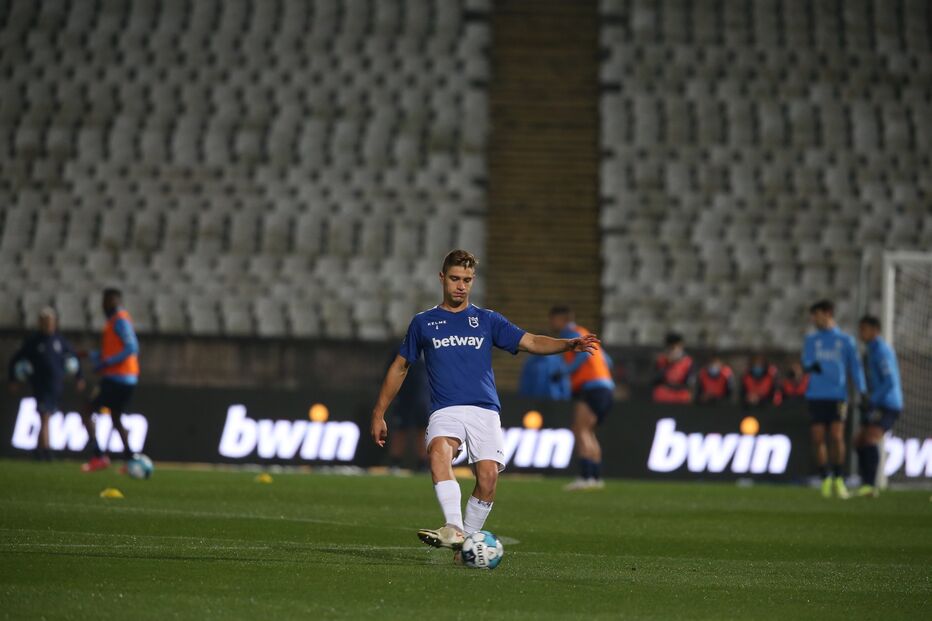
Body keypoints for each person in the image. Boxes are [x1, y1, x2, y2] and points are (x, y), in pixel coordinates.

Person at [369, 250, 599, 560]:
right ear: (442, 278)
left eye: (466, 280)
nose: (460, 286)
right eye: (454, 279)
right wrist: (379, 411)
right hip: (445, 409)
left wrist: (567, 345)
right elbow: (400, 367)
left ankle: (466, 545)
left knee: (488, 478)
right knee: (439, 452)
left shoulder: (487, 320)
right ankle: (453, 527)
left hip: (484, 410)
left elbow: (529, 341)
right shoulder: (423, 323)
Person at [802, 300, 866, 499]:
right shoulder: (812, 340)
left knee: (837, 436)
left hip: (837, 395)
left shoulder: (846, 341)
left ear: (828, 313)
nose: (813, 319)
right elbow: (806, 363)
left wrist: (862, 390)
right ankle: (825, 478)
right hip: (815, 394)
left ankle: (839, 478)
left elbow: (855, 367)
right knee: (818, 437)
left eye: (816, 315)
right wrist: (812, 367)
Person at [548, 306, 615, 491]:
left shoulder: (571, 333)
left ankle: (586, 477)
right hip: (606, 386)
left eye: (553, 320)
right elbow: (608, 361)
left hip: (591, 386)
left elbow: (584, 354)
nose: (552, 324)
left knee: (580, 429)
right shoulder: (586, 333)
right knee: (589, 431)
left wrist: (564, 372)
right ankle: (595, 477)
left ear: (561, 319)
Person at [7, 308, 84, 460]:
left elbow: (74, 357)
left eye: (50, 322)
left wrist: (79, 377)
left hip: (55, 385)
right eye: (45, 322)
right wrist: (13, 379)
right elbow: (15, 360)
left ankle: (38, 449)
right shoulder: (33, 341)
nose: (48, 325)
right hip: (39, 385)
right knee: (45, 416)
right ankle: (47, 450)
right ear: (40, 323)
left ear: (55, 323)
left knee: (46, 416)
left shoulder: (60, 341)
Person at [81, 288, 141, 472]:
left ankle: (98, 456)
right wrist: (92, 355)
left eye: (109, 301)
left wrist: (106, 362)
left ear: (116, 301)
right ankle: (130, 459)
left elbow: (132, 347)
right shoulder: (116, 321)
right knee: (115, 416)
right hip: (126, 378)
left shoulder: (120, 321)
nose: (106, 305)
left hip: (117, 378)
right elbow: (113, 351)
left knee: (87, 410)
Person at [854, 315, 903, 498]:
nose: (861, 333)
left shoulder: (882, 351)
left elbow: (889, 381)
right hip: (877, 401)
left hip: (887, 403)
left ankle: (870, 486)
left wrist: (873, 399)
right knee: (858, 441)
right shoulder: (871, 350)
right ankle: (865, 483)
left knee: (869, 439)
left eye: (864, 329)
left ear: (875, 330)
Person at [384, 350, 430, 472]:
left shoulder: (432, 346)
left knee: (423, 429)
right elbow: (392, 370)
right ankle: (395, 462)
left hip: (424, 397)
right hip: (404, 395)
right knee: (400, 429)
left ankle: (423, 463)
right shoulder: (403, 348)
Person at [652, 332, 694, 403]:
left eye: (677, 347)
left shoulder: (688, 361)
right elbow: (655, 380)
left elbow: (691, 382)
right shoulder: (661, 360)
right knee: (659, 392)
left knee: (686, 395)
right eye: (671, 348)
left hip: (681, 393)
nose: (674, 350)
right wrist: (667, 364)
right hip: (665, 393)